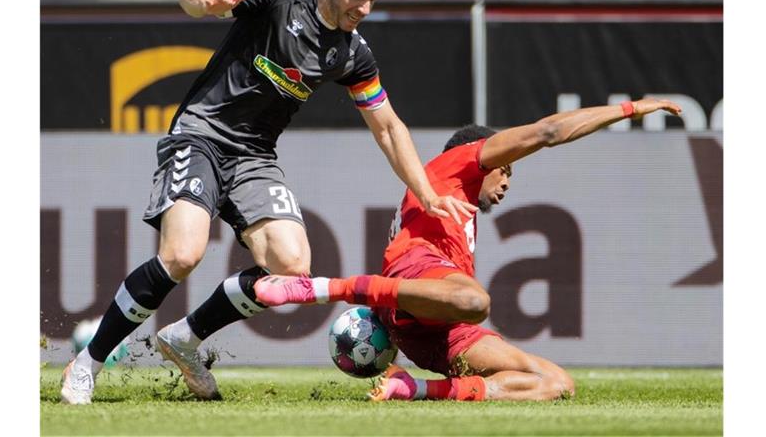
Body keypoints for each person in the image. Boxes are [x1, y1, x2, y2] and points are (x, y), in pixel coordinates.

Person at [60, 0, 475, 405]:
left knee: (292, 269)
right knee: (182, 255)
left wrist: (424, 191)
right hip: (201, 136)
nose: (364, 7)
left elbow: (388, 127)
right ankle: (88, 363)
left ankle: (185, 338)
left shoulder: (351, 53)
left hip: (255, 157)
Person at [255, 98, 683, 402]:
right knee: (474, 300)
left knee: (554, 383)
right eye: (506, 171)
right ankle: (327, 288)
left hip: (437, 334)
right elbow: (549, 132)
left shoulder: (460, 215)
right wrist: (630, 109)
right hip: (418, 281)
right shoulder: (455, 163)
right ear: (483, 158)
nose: (508, 184)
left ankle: (417, 389)